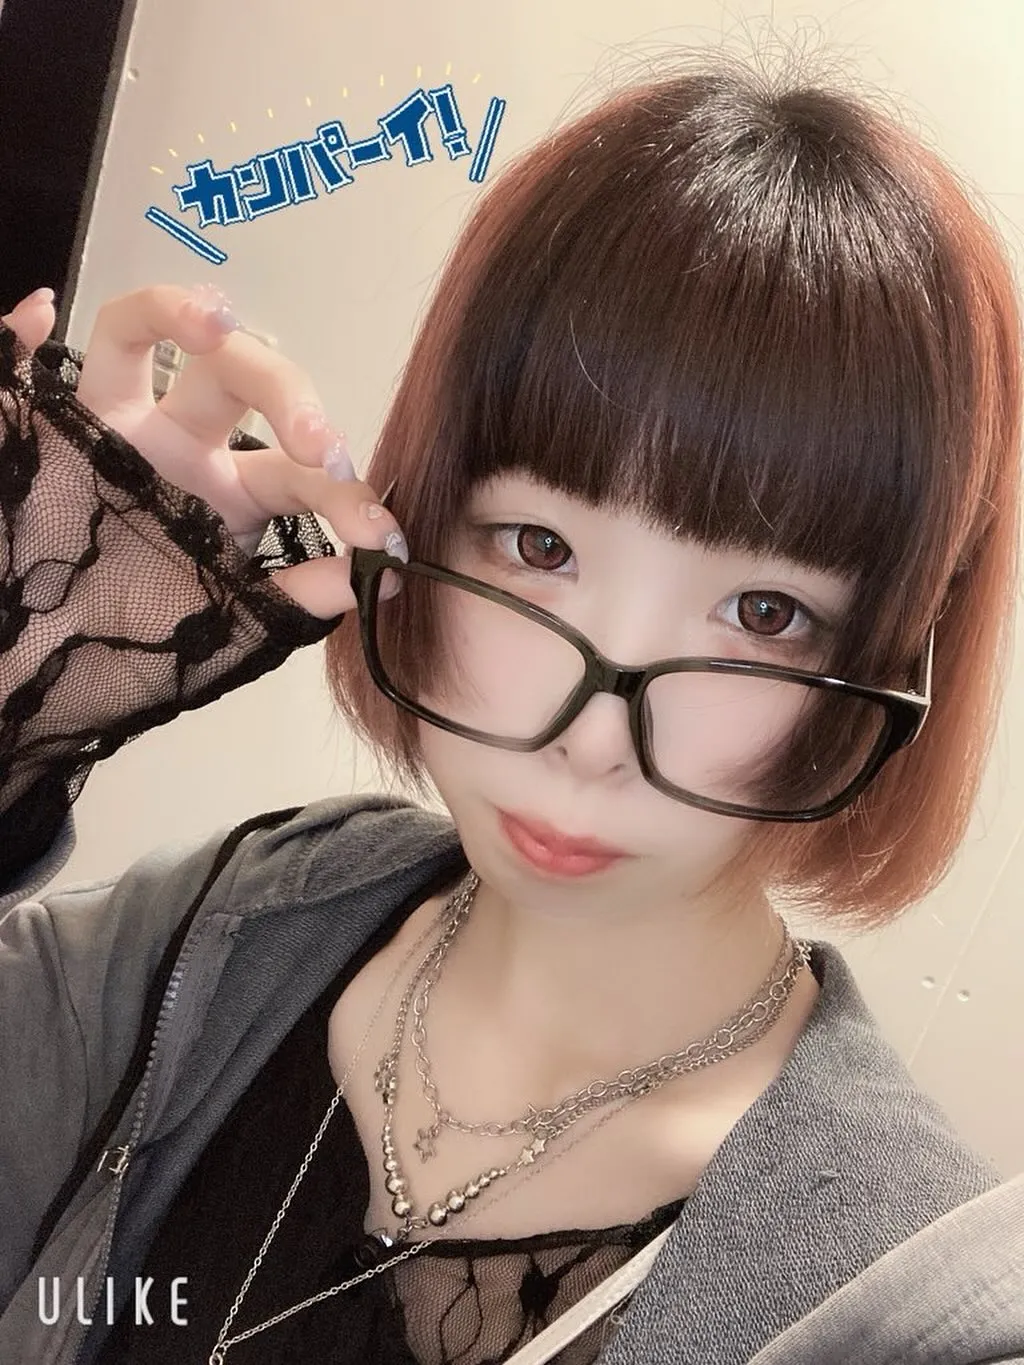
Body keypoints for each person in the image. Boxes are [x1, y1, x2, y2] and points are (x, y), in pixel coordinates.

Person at [2, 52, 1023, 1365]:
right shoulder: (224, 934)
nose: (589, 742)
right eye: (539, 547)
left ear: (891, 660)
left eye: (765, 614)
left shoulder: (893, 1308)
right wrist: (29, 676)